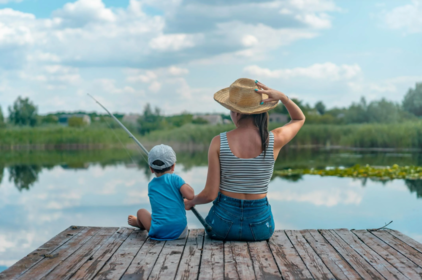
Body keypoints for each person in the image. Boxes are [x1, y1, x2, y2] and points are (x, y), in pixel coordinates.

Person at [184, 78, 305, 241]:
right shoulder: (275, 139)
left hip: (221, 226)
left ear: (237, 112)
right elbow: (299, 118)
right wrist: (283, 97)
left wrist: (191, 201)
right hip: (261, 228)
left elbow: (210, 194)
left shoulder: (219, 142)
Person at [128, 144, 194, 240]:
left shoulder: (151, 185)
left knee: (141, 212)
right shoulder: (176, 179)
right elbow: (191, 195)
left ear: (151, 168)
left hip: (158, 232)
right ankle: (140, 223)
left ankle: (139, 223)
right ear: (173, 166)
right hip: (180, 232)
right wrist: (184, 184)